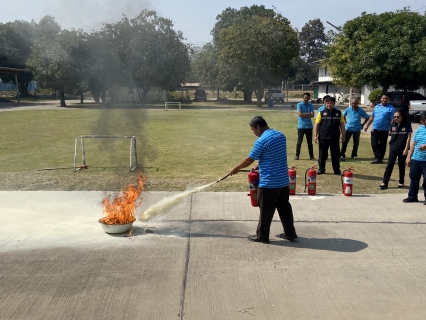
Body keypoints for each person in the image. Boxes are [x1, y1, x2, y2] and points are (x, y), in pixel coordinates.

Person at [230, 116, 297, 243]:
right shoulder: (280, 135)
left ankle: (262, 236)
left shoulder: (262, 140)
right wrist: (260, 164)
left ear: (258, 127)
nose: (253, 132)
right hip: (283, 181)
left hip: (269, 183)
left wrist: (236, 168)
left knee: (266, 211)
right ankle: (290, 233)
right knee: (284, 208)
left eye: (252, 129)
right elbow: (273, 154)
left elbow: (250, 159)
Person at [379, 110, 412, 189]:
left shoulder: (407, 124)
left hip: (402, 148)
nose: (396, 118)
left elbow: (409, 137)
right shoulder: (393, 124)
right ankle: (385, 182)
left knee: (401, 166)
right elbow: (390, 133)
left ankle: (401, 182)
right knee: (389, 165)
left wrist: (406, 148)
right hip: (393, 147)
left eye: (398, 117)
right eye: (395, 116)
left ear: (402, 117)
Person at [313, 96, 346, 175]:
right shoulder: (321, 113)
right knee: (322, 154)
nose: (329, 104)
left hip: (335, 138)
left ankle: (337, 170)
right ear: (325, 103)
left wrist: (343, 136)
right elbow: (317, 125)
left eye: (331, 103)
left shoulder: (339, 113)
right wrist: (315, 135)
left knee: (335, 155)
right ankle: (321, 169)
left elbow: (342, 125)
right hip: (323, 137)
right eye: (328, 103)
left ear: (334, 104)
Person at [363, 93, 396, 164]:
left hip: (385, 130)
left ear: (389, 99)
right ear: (381, 99)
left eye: (386, 98)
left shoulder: (391, 108)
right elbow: (372, 117)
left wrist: (391, 130)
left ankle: (379, 158)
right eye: (383, 98)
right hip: (375, 129)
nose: (384, 100)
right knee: (374, 143)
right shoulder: (376, 107)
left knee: (383, 145)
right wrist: (367, 125)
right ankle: (378, 157)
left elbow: (392, 120)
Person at [403, 111, 426, 203]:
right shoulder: (420, 129)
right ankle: (412, 196)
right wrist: (409, 156)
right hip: (416, 158)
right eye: (422, 120)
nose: (423, 122)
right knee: (414, 178)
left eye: (425, 120)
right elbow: (413, 143)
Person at [295, 92, 315, 160]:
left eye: (308, 98)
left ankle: (311, 156)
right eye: (305, 98)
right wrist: (308, 114)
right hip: (301, 126)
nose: (306, 99)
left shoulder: (311, 105)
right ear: (303, 97)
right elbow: (300, 114)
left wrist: (305, 114)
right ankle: (297, 155)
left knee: (309, 142)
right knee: (299, 141)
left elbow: (312, 115)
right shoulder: (299, 104)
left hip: (309, 126)